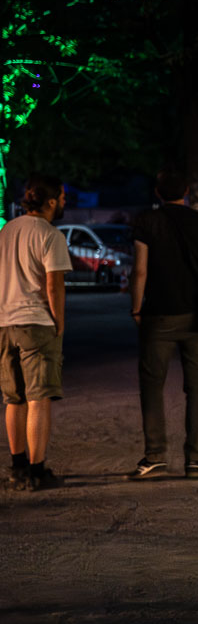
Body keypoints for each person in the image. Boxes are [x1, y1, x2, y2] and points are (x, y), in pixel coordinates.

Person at [128, 167, 198, 480]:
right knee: (196, 386)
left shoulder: (146, 222)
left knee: (152, 386)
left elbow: (139, 270)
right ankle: (194, 459)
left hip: (159, 315)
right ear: (185, 191)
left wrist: (136, 308)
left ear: (158, 193)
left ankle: (155, 454)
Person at [0, 175, 70, 491]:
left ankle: (16, 468)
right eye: (63, 197)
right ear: (51, 200)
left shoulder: (6, 230)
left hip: (5, 323)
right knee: (38, 398)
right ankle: (37, 471)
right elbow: (54, 284)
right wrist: (59, 323)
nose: (66, 202)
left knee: (14, 400)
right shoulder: (50, 235)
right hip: (36, 323)